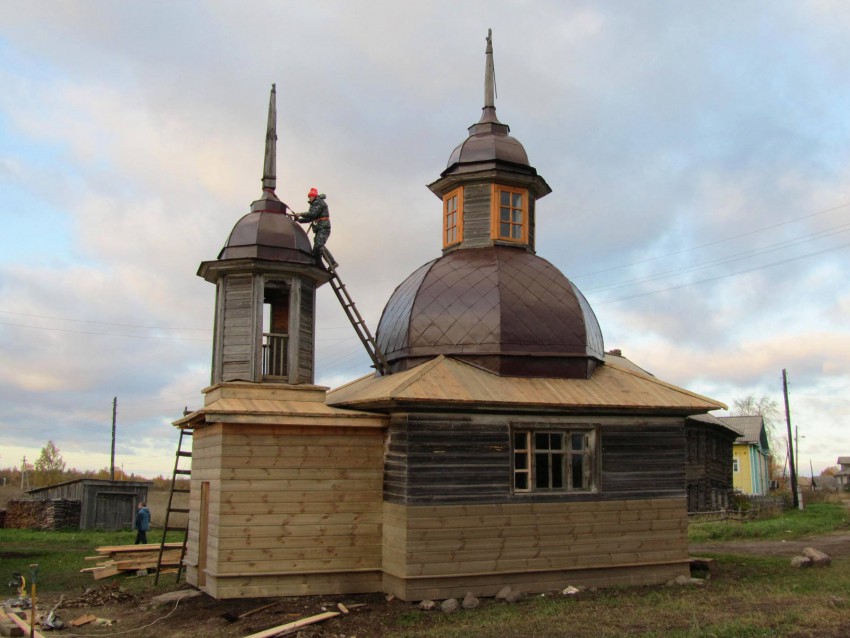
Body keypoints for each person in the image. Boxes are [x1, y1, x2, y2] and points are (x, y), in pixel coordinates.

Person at [295, 188, 331, 263]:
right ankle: (319, 265)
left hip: (323, 227)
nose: (309, 198)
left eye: (310, 196)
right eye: (309, 197)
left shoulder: (318, 202)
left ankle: (332, 262)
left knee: (319, 245)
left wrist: (301, 214)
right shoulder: (314, 205)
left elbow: (312, 214)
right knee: (315, 251)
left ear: (314, 196)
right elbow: (310, 218)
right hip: (319, 228)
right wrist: (298, 220)